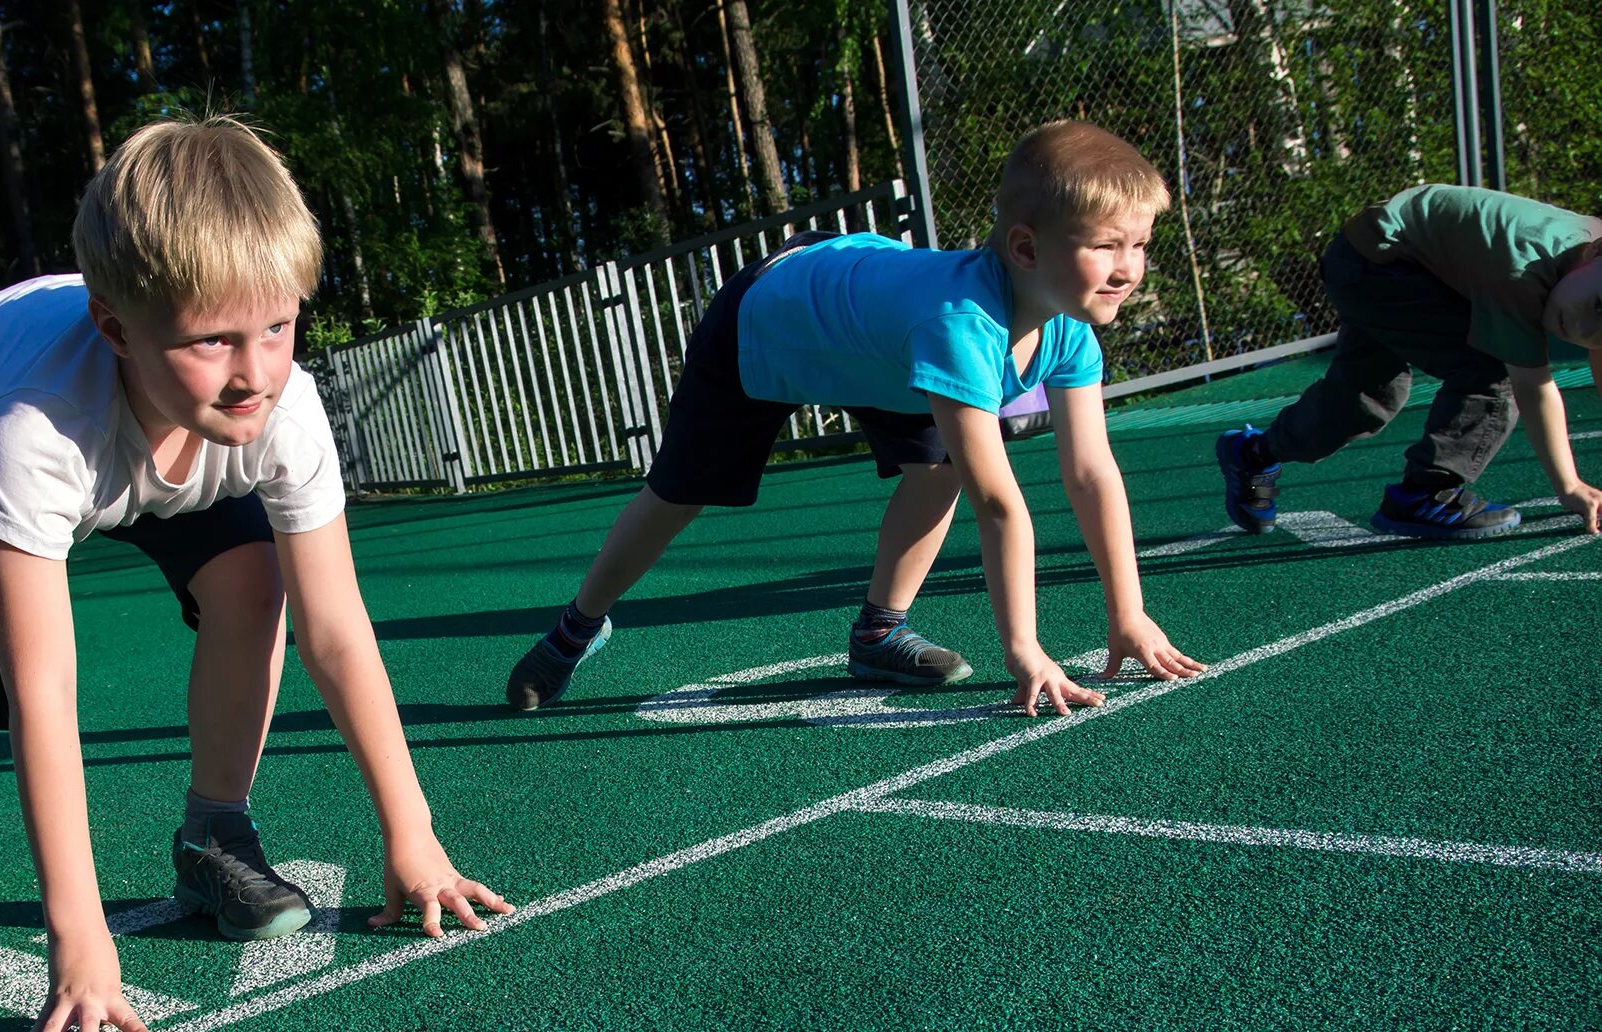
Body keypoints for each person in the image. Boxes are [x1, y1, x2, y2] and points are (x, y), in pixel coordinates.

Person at [0, 115, 511, 1032]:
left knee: (256, 587)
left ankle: (215, 832)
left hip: (165, 434)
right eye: (213, 339)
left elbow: (334, 628)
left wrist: (413, 835)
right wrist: (80, 939)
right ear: (115, 328)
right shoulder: (34, 426)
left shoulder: (273, 403)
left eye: (279, 326)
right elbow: (45, 689)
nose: (256, 373)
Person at [504, 120, 1204, 720]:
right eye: (1108, 246)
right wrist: (1025, 651)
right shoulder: (958, 327)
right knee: (678, 495)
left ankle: (878, 635)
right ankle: (575, 629)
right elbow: (1000, 504)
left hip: (872, 333)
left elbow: (1090, 472)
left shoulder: (1069, 326)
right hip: (772, 317)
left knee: (940, 468)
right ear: (1026, 250)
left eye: (1139, 245)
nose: (1129, 268)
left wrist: (1128, 615)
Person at [1217, 185, 1602, 539]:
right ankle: (1424, 495)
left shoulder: (1587, 265)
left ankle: (1254, 453)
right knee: (1490, 370)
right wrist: (1568, 486)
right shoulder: (1524, 271)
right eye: (1597, 305)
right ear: (1596, 253)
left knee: (1363, 397)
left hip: (1381, 257)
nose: (1584, 328)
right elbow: (1534, 388)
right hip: (1382, 262)